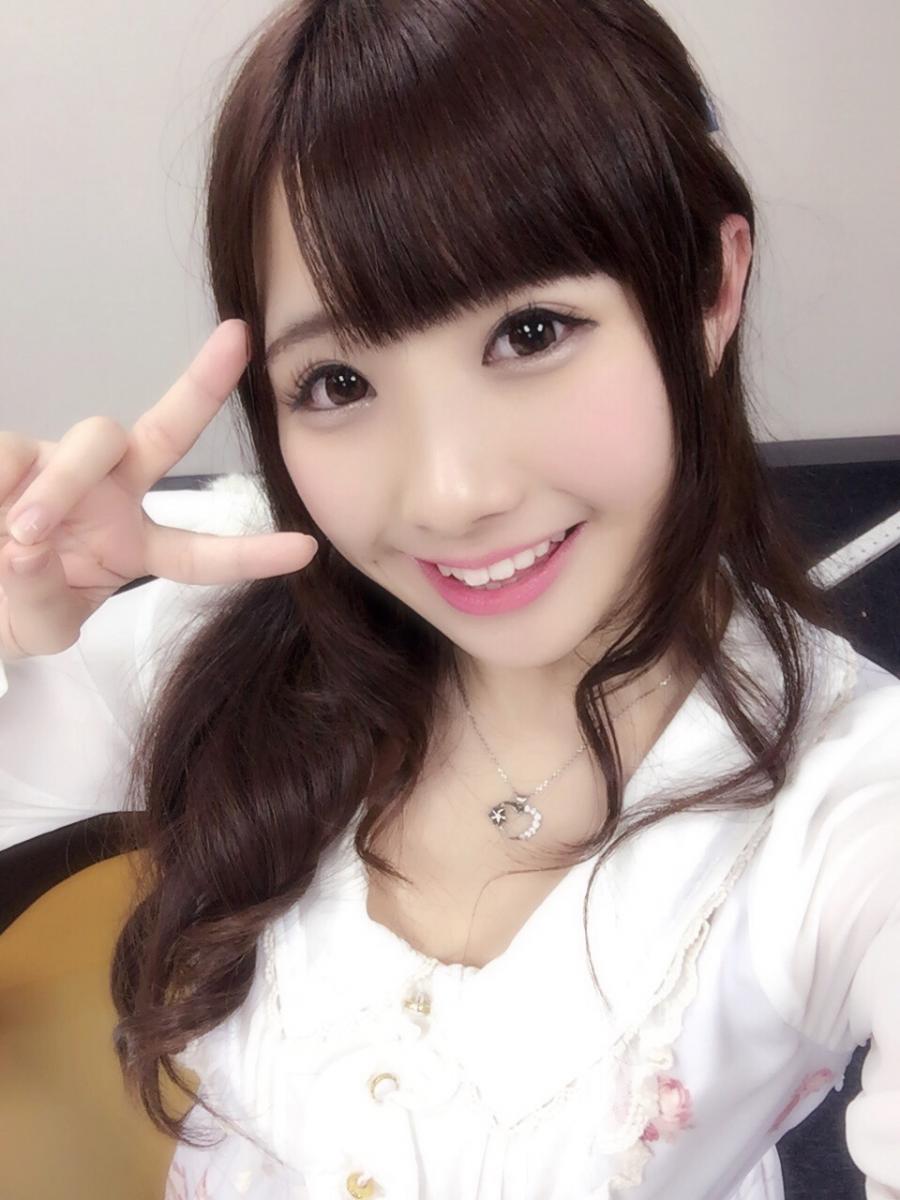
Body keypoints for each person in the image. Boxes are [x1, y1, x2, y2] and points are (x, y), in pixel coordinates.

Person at [1, 1, 898, 1197]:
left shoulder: (848, 808)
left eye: (531, 332)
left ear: (710, 290)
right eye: (337, 382)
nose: (449, 493)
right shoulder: (222, 619)